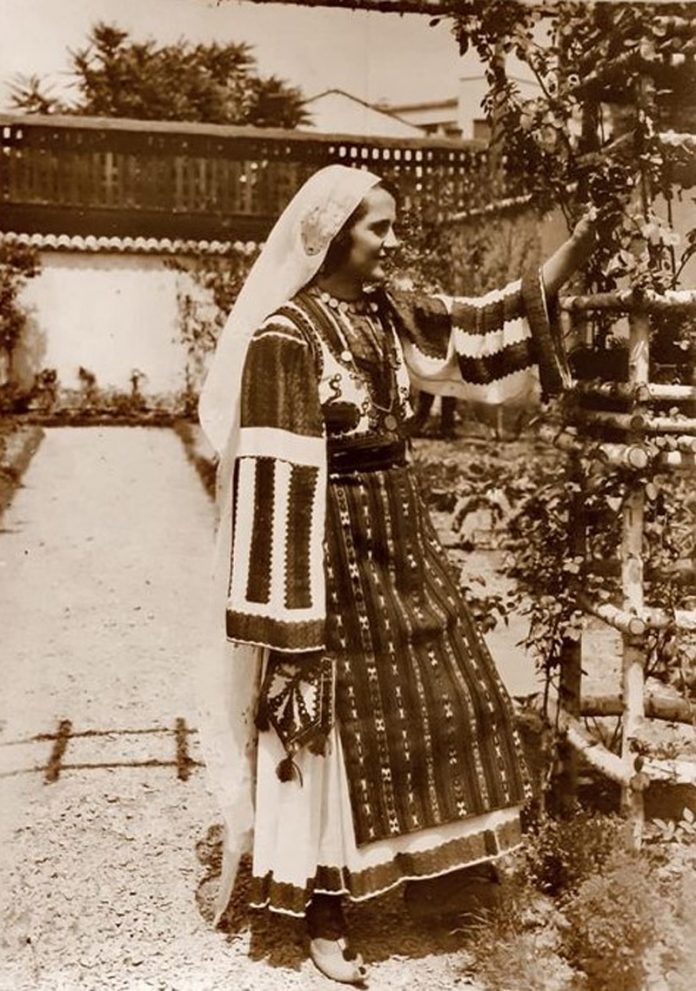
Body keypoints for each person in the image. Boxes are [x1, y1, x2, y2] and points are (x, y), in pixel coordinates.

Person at [197, 164, 595, 985]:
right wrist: (294, 628)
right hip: (325, 549)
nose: (392, 240)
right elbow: (272, 484)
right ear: (332, 234)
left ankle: (437, 875)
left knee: (456, 695)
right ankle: (324, 908)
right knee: (327, 727)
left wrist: (583, 245)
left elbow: (486, 320)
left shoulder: (387, 311)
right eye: (378, 226)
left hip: (399, 532)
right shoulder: (286, 336)